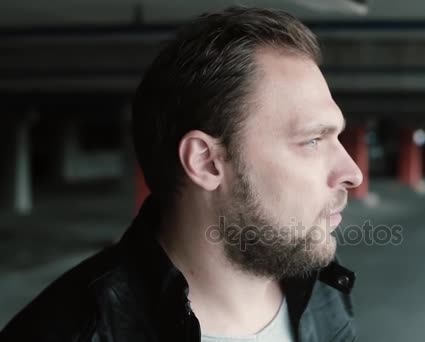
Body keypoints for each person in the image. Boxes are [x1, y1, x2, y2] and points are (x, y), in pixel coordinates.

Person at [0, 6, 363, 342]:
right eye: (313, 140)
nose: (353, 173)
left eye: (337, 137)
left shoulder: (319, 285)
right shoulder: (75, 332)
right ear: (205, 162)